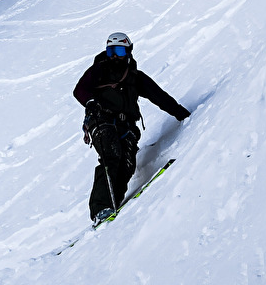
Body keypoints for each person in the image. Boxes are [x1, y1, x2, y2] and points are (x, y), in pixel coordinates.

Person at [74, 32, 190, 224]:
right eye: (111, 50)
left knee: (127, 165)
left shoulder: (136, 78)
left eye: (119, 51)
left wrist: (182, 114)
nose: (114, 56)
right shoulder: (99, 70)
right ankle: (101, 209)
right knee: (111, 155)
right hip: (101, 121)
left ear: (128, 51)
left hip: (126, 127)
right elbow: (80, 90)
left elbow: (158, 96)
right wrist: (91, 102)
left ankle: (113, 203)